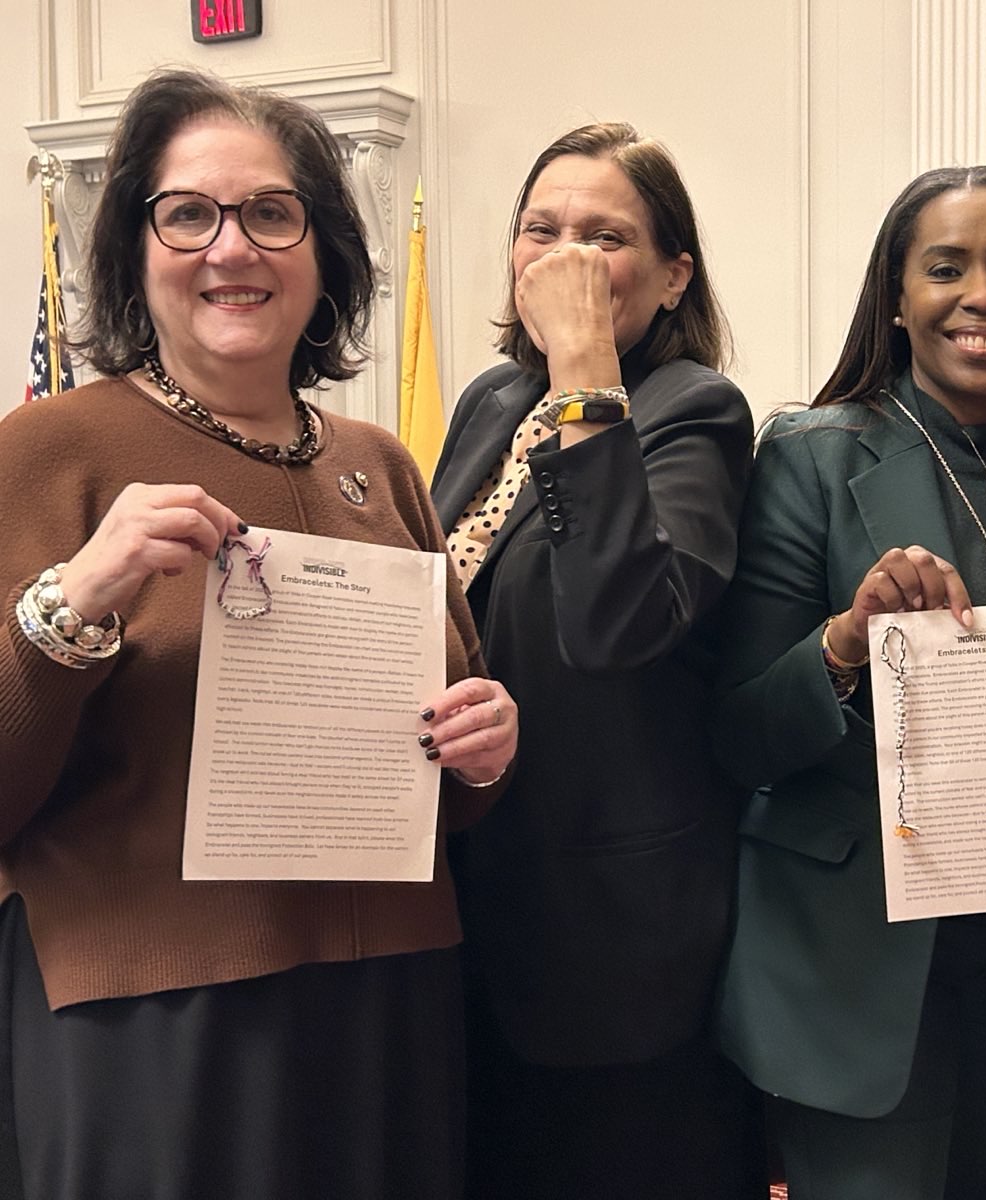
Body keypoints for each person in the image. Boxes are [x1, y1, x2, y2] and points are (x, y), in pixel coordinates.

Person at [0, 68, 517, 1199]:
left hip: (385, 1000)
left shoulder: (376, 466)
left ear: (323, 249)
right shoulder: (46, 453)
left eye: (271, 213)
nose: (231, 247)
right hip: (153, 1017)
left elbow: (452, 782)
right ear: (136, 247)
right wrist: (73, 601)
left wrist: (482, 743)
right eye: (188, 212)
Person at [712, 165, 986, 1199]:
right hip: (852, 963)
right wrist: (845, 643)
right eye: (946, 268)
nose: (982, 294)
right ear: (896, 298)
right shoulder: (811, 452)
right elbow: (738, 733)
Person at [431, 123, 763, 1199]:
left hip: (608, 920)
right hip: (466, 886)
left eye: (603, 236)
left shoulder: (694, 413)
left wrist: (584, 368)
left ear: (673, 277)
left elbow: (619, 622)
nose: (565, 257)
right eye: (542, 230)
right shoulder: (488, 400)